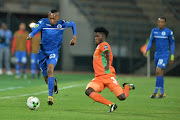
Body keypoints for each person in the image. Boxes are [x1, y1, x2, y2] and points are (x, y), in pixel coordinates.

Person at [27, 9, 77, 105]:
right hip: (42, 53)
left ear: (58, 17)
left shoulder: (62, 24)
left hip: (53, 52)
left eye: (54, 18)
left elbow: (73, 24)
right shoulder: (43, 22)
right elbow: (36, 29)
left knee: (50, 70)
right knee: (46, 79)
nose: (52, 20)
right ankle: (53, 83)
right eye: (50, 18)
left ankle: (50, 97)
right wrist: (31, 35)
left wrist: (74, 37)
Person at [85, 27, 135, 113]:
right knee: (88, 91)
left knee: (122, 97)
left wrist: (107, 64)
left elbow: (107, 53)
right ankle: (111, 105)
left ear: (103, 36)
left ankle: (127, 87)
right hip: (99, 77)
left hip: (108, 75)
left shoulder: (104, 44)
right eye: (95, 36)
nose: (95, 38)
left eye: (98, 36)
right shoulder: (98, 46)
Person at [144, 17, 175, 98]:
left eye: (162, 22)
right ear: (157, 23)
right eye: (159, 22)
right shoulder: (154, 31)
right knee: (158, 72)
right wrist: (146, 50)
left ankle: (155, 92)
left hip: (164, 54)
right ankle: (162, 92)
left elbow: (172, 44)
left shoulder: (169, 32)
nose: (160, 23)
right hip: (157, 54)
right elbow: (150, 41)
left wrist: (172, 56)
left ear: (165, 23)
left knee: (158, 69)